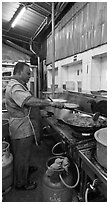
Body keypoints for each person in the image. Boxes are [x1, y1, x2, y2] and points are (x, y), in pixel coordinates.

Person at [5, 61, 63, 190]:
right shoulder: (15, 87)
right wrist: (51, 103)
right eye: (27, 73)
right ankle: (21, 183)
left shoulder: (20, 85)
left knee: (24, 154)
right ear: (19, 72)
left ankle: (24, 170)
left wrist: (41, 112)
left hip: (24, 126)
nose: (29, 77)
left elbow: (25, 106)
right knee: (22, 156)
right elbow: (28, 101)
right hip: (21, 128)